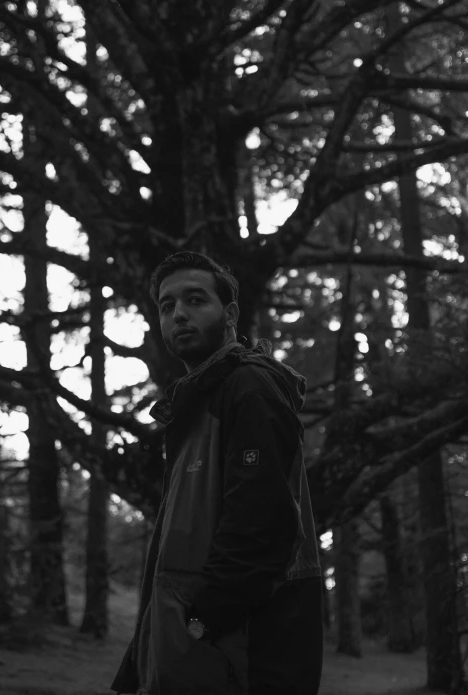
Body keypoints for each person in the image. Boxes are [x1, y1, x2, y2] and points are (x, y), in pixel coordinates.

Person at [111, 251, 323, 695]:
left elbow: (263, 524)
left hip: (243, 656)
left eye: (194, 300)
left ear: (229, 315)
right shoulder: (198, 403)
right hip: (200, 653)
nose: (179, 314)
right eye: (167, 307)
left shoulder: (249, 388)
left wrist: (201, 621)